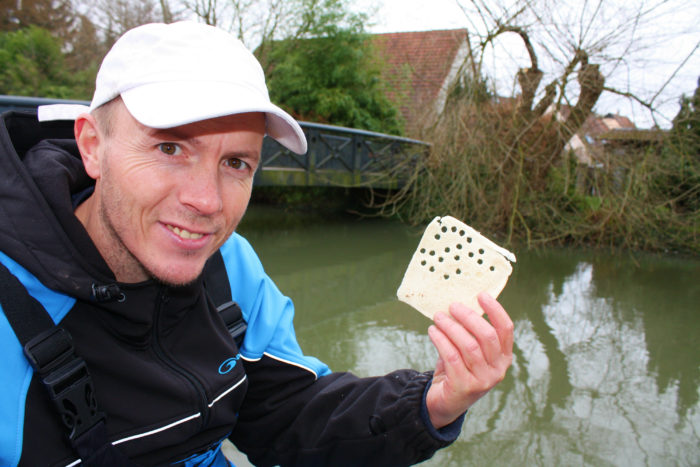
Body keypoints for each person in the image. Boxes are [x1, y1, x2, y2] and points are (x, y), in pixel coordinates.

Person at [0, 21, 513, 466]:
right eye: (170, 147)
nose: (206, 202)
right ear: (93, 145)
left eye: (236, 163)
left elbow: (286, 413)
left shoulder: (228, 264)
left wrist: (433, 402)